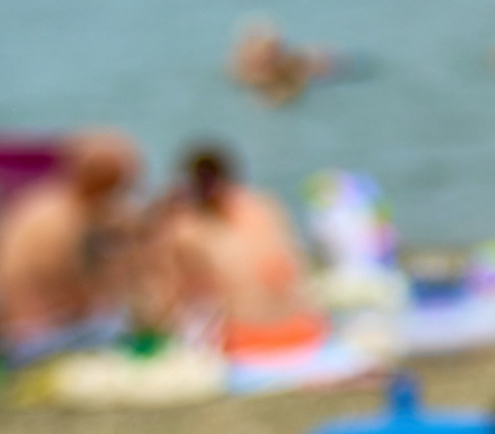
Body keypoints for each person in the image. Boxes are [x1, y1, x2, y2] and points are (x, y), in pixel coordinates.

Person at [144, 145, 319, 346]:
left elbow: (162, 301)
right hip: (252, 332)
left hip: (265, 331)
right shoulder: (260, 207)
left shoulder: (258, 210)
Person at [0, 131, 142, 366]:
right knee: (112, 324)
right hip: (33, 336)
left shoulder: (48, 203)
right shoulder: (62, 219)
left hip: (29, 329)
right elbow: (63, 285)